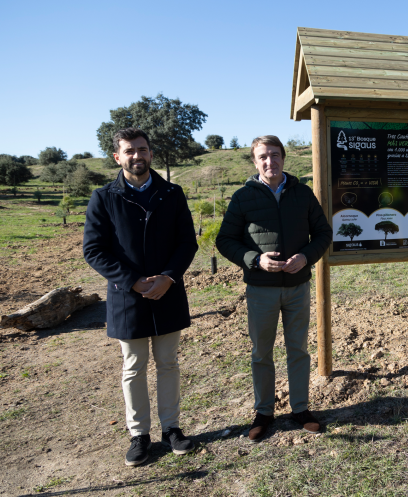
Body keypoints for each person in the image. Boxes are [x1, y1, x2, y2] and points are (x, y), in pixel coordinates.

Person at [83, 127, 198, 466]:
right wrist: (132, 281)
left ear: (150, 153)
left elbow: (186, 243)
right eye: (129, 151)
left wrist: (168, 277)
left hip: (167, 292)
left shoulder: (172, 193)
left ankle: (172, 429)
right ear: (117, 157)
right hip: (126, 297)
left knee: (169, 364)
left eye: (142, 149)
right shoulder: (104, 198)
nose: (137, 155)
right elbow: (94, 250)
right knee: (134, 367)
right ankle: (139, 435)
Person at [216, 135, 332, 442]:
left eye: (275, 155)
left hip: (297, 287)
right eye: (263, 157)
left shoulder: (303, 194)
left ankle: (300, 409)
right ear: (255, 162)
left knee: (299, 350)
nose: (270, 161)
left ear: (283, 158)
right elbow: (225, 240)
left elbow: (323, 233)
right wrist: (255, 260)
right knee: (261, 353)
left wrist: (306, 257)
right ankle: (264, 413)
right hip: (261, 290)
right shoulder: (243, 197)